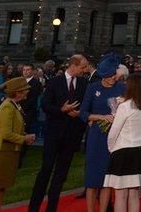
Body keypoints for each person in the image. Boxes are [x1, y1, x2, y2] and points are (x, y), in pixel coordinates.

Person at [28, 54, 88, 212]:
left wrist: (80, 112)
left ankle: (51, 208)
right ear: (73, 66)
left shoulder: (83, 83)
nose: (85, 70)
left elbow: (87, 106)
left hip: (71, 135)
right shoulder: (55, 82)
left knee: (61, 175)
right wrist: (61, 110)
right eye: (83, 67)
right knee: (46, 170)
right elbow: (45, 105)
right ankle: (33, 207)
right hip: (54, 134)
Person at [80, 53, 126, 212]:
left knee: (107, 179)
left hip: (114, 138)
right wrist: (100, 117)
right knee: (93, 179)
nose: (113, 78)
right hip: (96, 136)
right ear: (103, 76)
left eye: (114, 74)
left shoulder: (122, 87)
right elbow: (83, 112)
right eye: (110, 76)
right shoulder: (93, 88)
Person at [0, 77, 36, 212]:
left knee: (2, 185)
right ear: (18, 92)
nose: (27, 93)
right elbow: (6, 133)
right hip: (2, 149)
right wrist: (24, 138)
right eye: (25, 90)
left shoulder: (13, 105)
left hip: (9, 149)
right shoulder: (7, 107)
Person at [104, 73, 141, 212]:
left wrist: (111, 148)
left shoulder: (125, 106)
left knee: (120, 195)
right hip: (140, 152)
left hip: (123, 152)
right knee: (134, 195)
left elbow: (114, 132)